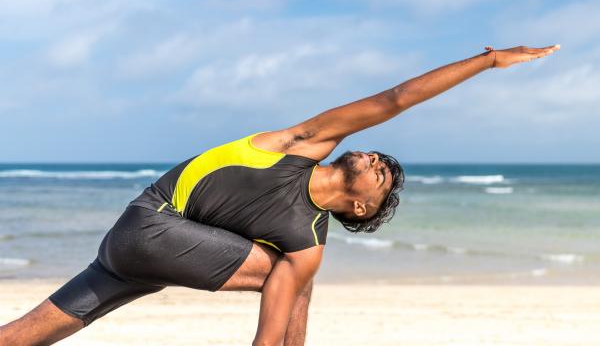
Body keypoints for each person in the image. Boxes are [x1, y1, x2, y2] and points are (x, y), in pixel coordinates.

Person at [0, 44, 559, 346]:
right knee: (294, 281)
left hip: (135, 254)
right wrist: (487, 61)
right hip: (148, 225)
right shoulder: (300, 143)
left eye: (382, 172)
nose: (375, 158)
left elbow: (269, 332)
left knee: (24, 335)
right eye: (378, 156)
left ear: (360, 207)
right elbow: (395, 98)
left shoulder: (304, 241)